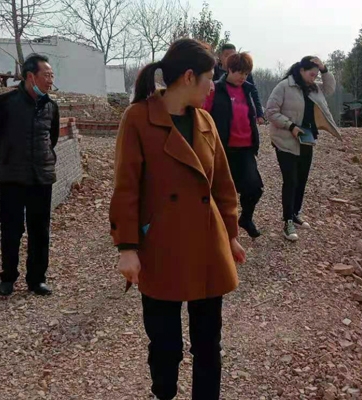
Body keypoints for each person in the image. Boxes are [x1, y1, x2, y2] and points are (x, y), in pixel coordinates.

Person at [109, 38, 246, 400]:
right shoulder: (138, 118)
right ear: (188, 77)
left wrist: (231, 235)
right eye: (209, 78)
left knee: (209, 344)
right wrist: (127, 248)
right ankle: (164, 394)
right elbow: (126, 188)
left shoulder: (205, 121)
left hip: (207, 246)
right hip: (161, 247)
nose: (212, 86)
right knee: (165, 345)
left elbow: (223, 186)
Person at [0, 54, 59, 297]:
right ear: (30, 76)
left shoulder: (51, 106)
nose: (50, 80)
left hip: (41, 177)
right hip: (11, 178)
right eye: (47, 75)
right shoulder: (6, 103)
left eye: (52, 76)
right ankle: (8, 277)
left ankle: (37, 279)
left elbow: (52, 138)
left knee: (40, 230)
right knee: (11, 229)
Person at [266, 56, 341, 241]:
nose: (313, 78)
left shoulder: (314, 89)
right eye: (311, 74)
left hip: (306, 139)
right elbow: (271, 111)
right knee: (290, 180)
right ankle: (287, 221)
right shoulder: (284, 86)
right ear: (301, 71)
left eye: (316, 75)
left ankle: (295, 213)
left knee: (301, 179)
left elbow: (330, 88)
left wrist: (324, 69)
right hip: (285, 140)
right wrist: (290, 126)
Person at [204, 52, 263, 238]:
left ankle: (246, 218)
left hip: (246, 148)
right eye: (239, 72)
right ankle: (219, 228)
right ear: (229, 69)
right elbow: (203, 114)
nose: (242, 77)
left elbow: (250, 115)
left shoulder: (247, 90)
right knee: (221, 190)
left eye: (246, 73)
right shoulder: (216, 89)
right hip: (223, 148)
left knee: (254, 187)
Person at [213, 43, 265, 125]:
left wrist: (259, 114)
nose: (229, 58)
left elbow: (253, 92)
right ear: (220, 56)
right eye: (226, 55)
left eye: (233, 55)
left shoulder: (245, 75)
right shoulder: (213, 72)